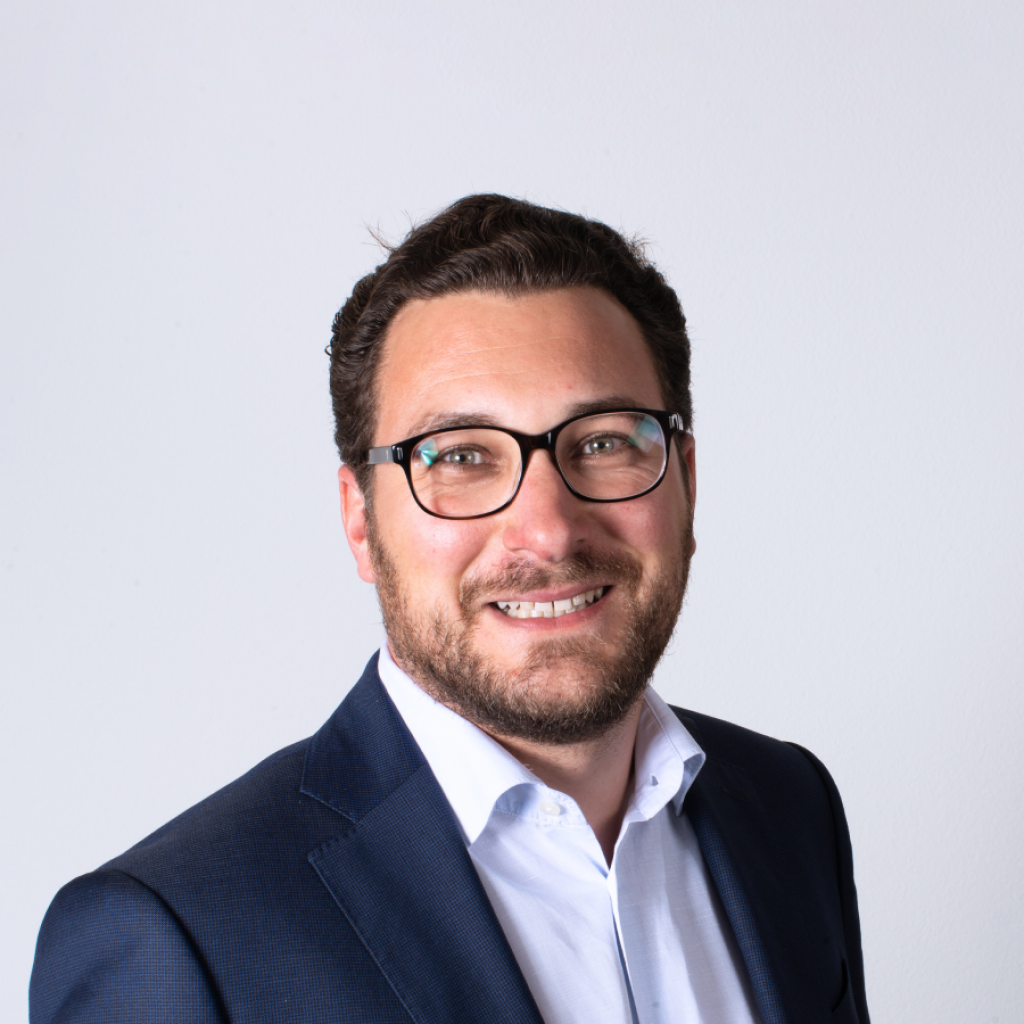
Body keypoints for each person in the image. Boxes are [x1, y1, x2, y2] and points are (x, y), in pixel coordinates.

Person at [31, 194, 870, 1024]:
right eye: (462, 456)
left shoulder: (789, 808)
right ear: (361, 521)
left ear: (685, 480)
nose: (547, 531)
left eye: (604, 442)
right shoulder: (173, 938)